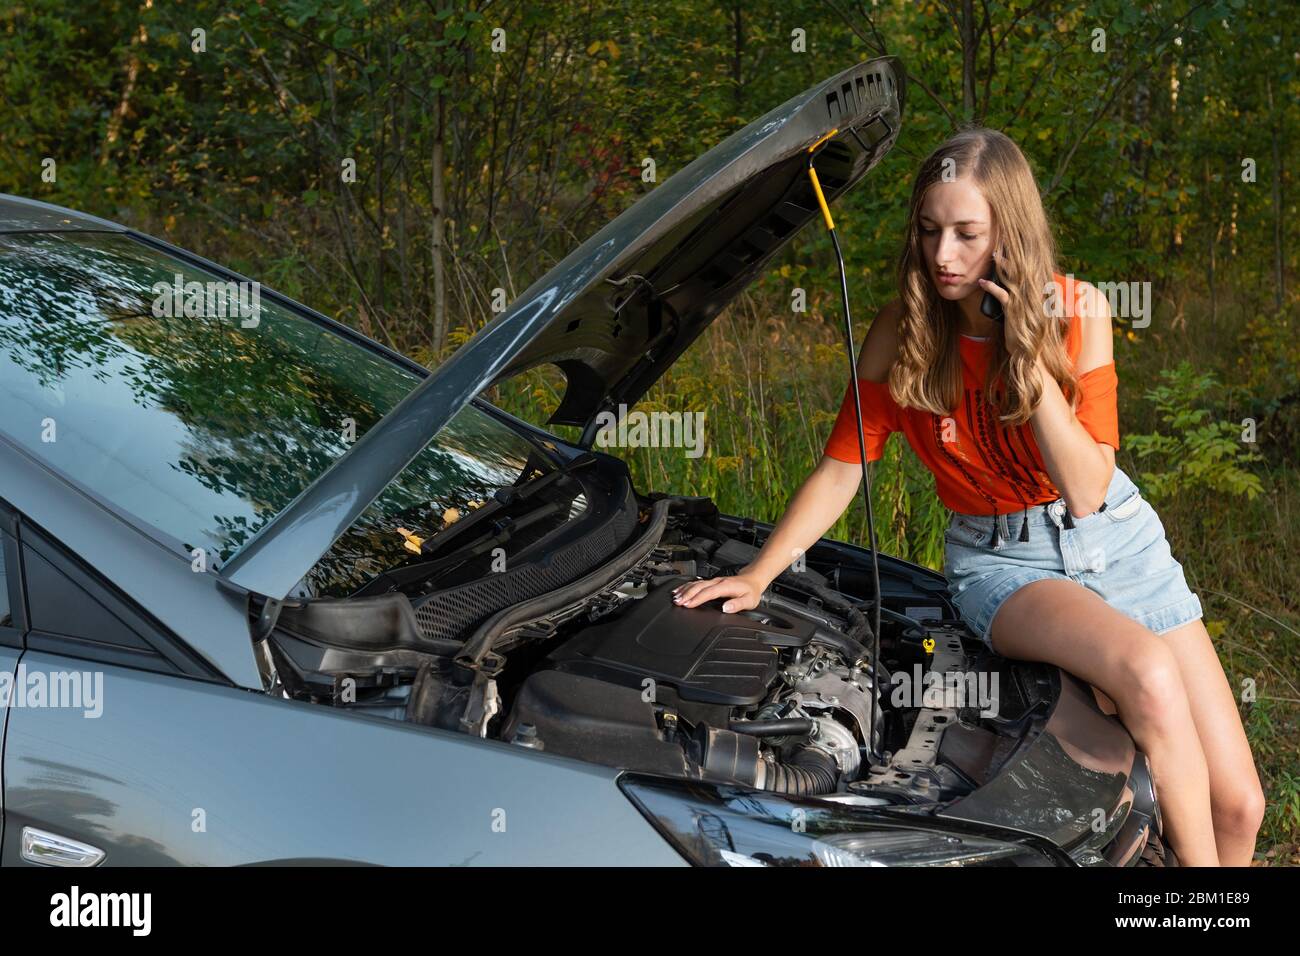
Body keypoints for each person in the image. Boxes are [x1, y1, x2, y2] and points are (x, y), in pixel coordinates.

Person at [672, 127, 1264, 867]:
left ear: (1009, 237)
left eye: (967, 234)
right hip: (1005, 561)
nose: (943, 255)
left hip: (1119, 540)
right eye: (928, 231)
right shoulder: (904, 331)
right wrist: (760, 573)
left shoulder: (1079, 310)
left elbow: (1087, 489)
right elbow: (842, 468)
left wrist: (1025, 346)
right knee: (1145, 672)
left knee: (1239, 806)